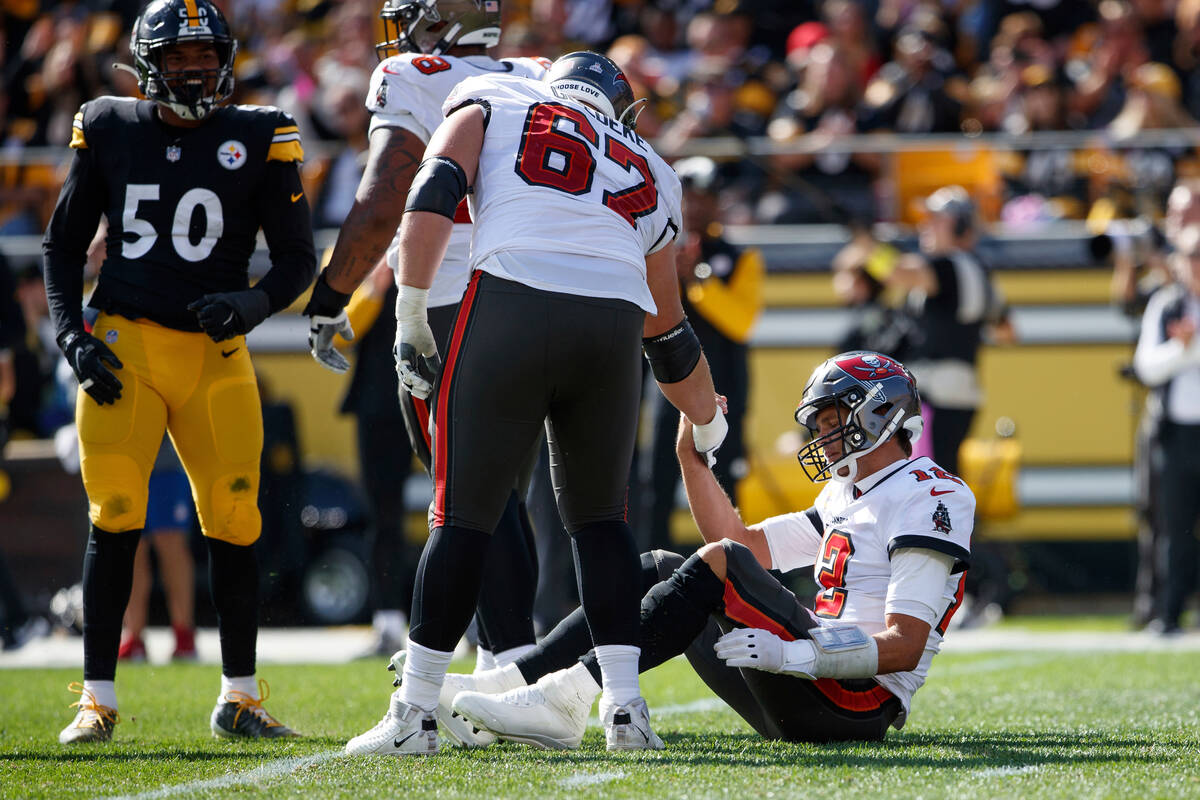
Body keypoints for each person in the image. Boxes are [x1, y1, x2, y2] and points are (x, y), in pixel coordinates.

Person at [342, 51, 726, 756]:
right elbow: (667, 334)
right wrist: (707, 418)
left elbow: (434, 187)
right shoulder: (655, 169)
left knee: (461, 518)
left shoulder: (495, 94)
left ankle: (416, 713)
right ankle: (625, 710)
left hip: (511, 304)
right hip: (610, 331)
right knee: (601, 524)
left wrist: (413, 310)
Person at [446, 351, 973, 746]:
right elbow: (744, 544)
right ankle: (514, 681)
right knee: (659, 566)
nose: (823, 436)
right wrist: (690, 461)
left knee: (721, 564)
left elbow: (904, 644)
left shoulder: (931, 495)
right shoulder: (848, 492)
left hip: (854, 703)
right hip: (803, 682)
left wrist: (794, 653)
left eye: (832, 421)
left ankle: (568, 697)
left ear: (880, 414)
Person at [42, 0, 315, 743]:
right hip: (126, 343)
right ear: (148, 63)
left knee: (235, 516)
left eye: (204, 55)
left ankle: (240, 696)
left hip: (214, 353)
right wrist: (72, 337)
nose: (194, 69)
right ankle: (96, 698)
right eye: (177, 57)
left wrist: (252, 303)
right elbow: (63, 246)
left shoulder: (260, 134)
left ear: (224, 58)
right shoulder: (108, 125)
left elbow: (298, 260)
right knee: (119, 510)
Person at [301, 0, 550, 745]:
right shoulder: (535, 74)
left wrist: (330, 294)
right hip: (540, 296)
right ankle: (512, 670)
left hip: (449, 301)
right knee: (498, 493)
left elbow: (382, 202)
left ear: (434, 23)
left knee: (465, 495)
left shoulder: (411, 71)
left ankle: (480, 684)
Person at [644, 156, 763, 552]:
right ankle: (652, 571)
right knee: (657, 481)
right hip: (670, 389)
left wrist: (696, 279)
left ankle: (738, 572)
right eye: (688, 199)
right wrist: (670, 277)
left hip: (725, 387)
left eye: (703, 198)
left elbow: (742, 323)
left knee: (726, 480)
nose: (694, 207)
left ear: (717, 203)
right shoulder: (660, 253)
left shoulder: (742, 257)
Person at [889, 186, 1010, 475]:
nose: (925, 226)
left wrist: (868, 245)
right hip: (961, 386)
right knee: (943, 476)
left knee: (928, 481)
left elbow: (896, 273)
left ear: (960, 226)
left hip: (938, 389)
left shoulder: (948, 266)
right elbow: (1006, 331)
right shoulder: (979, 269)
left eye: (936, 220)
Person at [1133, 225, 1200, 635]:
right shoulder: (1166, 302)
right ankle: (1170, 613)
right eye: (1191, 255)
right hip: (1176, 434)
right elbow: (1147, 367)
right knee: (1174, 529)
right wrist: (1183, 349)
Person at [116, 438, 197, 663]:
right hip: (125, 464)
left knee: (171, 546)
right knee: (131, 549)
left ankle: (184, 634)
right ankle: (134, 637)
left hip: (166, 463)